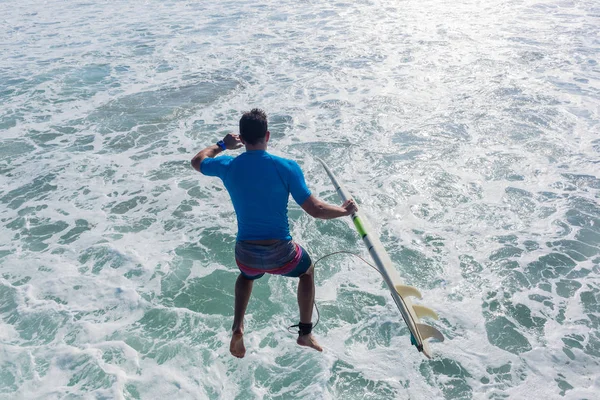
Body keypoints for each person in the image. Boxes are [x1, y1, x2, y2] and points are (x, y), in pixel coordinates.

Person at [191, 109, 357, 358]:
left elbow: (197, 161)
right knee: (307, 270)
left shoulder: (228, 165)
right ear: (267, 135)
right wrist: (344, 211)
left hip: (245, 253)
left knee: (246, 277)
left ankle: (238, 326)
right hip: (281, 256)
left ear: (243, 139)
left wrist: (223, 144)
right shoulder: (286, 167)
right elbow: (316, 209)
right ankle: (305, 332)